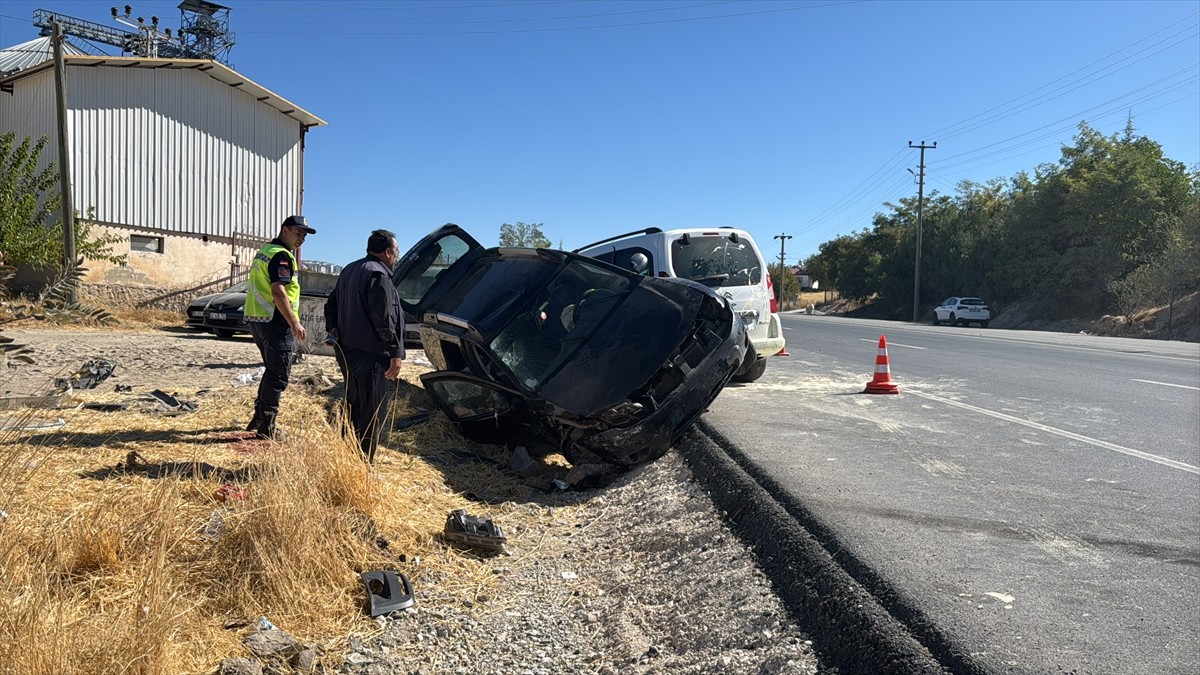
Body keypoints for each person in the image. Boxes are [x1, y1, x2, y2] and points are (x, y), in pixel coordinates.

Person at [323, 229, 405, 462]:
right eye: (397, 251)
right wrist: (394, 353)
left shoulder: (350, 269)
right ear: (388, 252)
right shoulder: (378, 275)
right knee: (372, 412)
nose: (397, 256)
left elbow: (330, 305)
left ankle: (347, 458)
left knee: (354, 406)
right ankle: (362, 465)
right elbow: (384, 319)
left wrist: (333, 330)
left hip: (347, 352)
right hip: (372, 356)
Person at [244, 214, 315, 439]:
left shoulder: (265, 251)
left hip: (258, 320)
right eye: (298, 232)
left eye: (304, 234)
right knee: (278, 375)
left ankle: (258, 418)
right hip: (276, 322)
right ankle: (267, 427)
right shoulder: (282, 256)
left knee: (271, 371)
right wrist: (294, 322)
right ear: (285, 230)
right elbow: (278, 290)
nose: (301, 237)